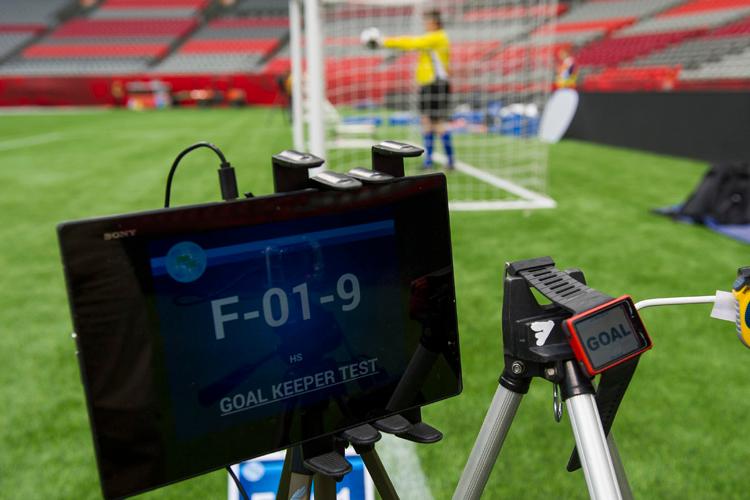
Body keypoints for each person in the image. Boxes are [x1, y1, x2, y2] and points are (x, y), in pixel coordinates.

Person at [362, 9, 454, 169]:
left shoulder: (437, 37)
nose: (425, 24)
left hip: (436, 85)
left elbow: (412, 42)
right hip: (430, 85)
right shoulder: (433, 39)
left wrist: (383, 41)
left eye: (428, 21)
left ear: (435, 22)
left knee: (437, 123)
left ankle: (448, 161)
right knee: (427, 122)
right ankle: (430, 161)